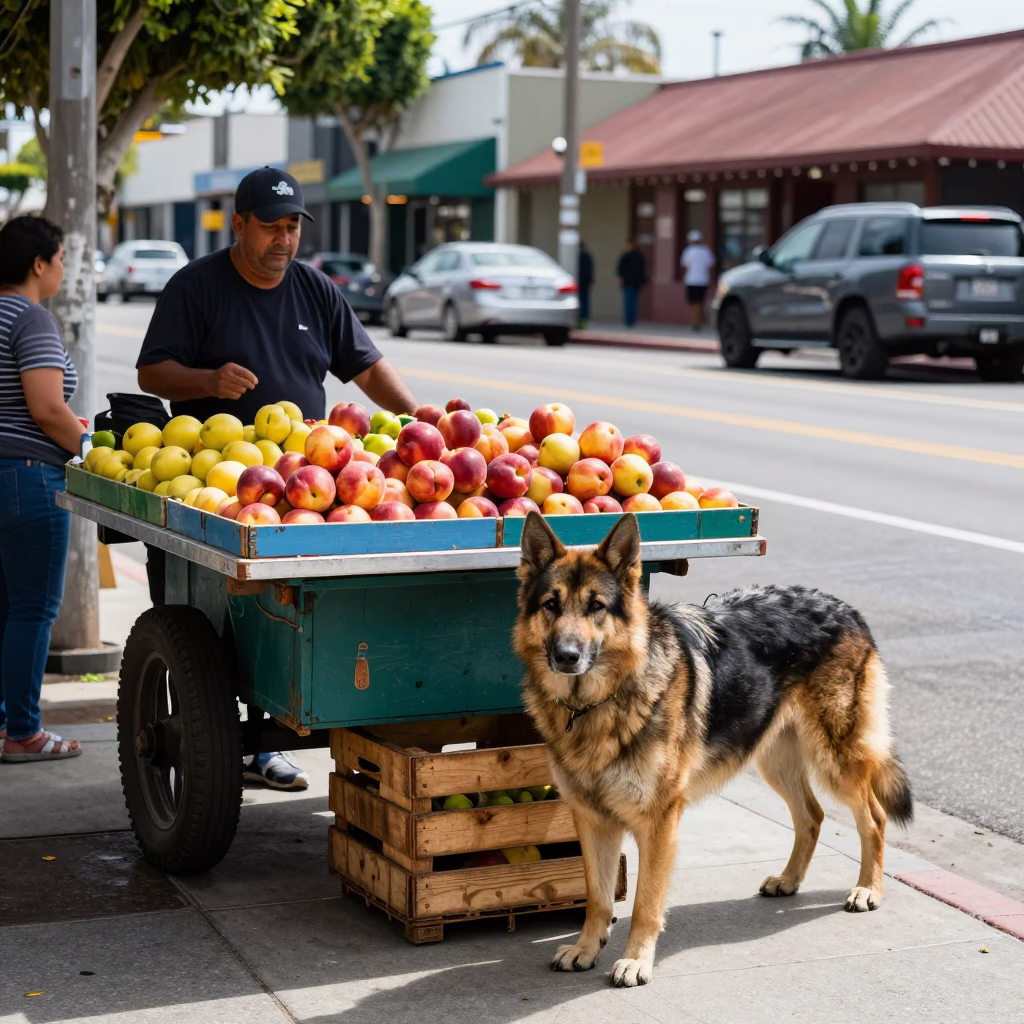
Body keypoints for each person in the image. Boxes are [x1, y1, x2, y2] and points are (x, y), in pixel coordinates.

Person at [136, 166, 418, 790]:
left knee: (285, 615)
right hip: (216, 484)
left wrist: (422, 428)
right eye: (271, 227)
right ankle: (221, 734)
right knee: (213, 627)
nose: (284, 240)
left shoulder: (315, 290)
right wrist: (208, 383)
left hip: (302, 486)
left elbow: (367, 369)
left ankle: (267, 742)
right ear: (239, 226)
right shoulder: (196, 287)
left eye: (292, 227)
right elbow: (151, 371)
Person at [0, 215, 87, 763]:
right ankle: (25, 734)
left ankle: (6, 724)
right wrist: (92, 450)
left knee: (6, 607)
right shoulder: (31, 318)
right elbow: (48, 409)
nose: (62, 269)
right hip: (28, 478)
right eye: (59, 259)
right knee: (33, 610)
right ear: (39, 264)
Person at [680, 229, 716, 330]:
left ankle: (697, 321)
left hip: (691, 280)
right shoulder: (706, 251)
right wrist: (711, 280)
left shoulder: (688, 251)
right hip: (703, 280)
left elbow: (684, 267)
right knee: (700, 302)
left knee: (694, 302)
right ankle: (699, 320)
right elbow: (711, 268)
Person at [616, 240, 646, 329]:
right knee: (627, 301)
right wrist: (620, 278)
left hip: (635, 282)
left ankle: (632, 320)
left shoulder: (639, 256)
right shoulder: (625, 255)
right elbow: (620, 268)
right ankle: (627, 320)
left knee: (633, 302)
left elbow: (642, 269)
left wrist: (642, 280)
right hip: (627, 282)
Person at [577, 241, 594, 328]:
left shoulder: (577, 257)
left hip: (580, 282)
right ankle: (584, 319)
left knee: (581, 302)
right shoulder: (587, 256)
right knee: (585, 301)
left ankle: (582, 319)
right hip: (585, 282)